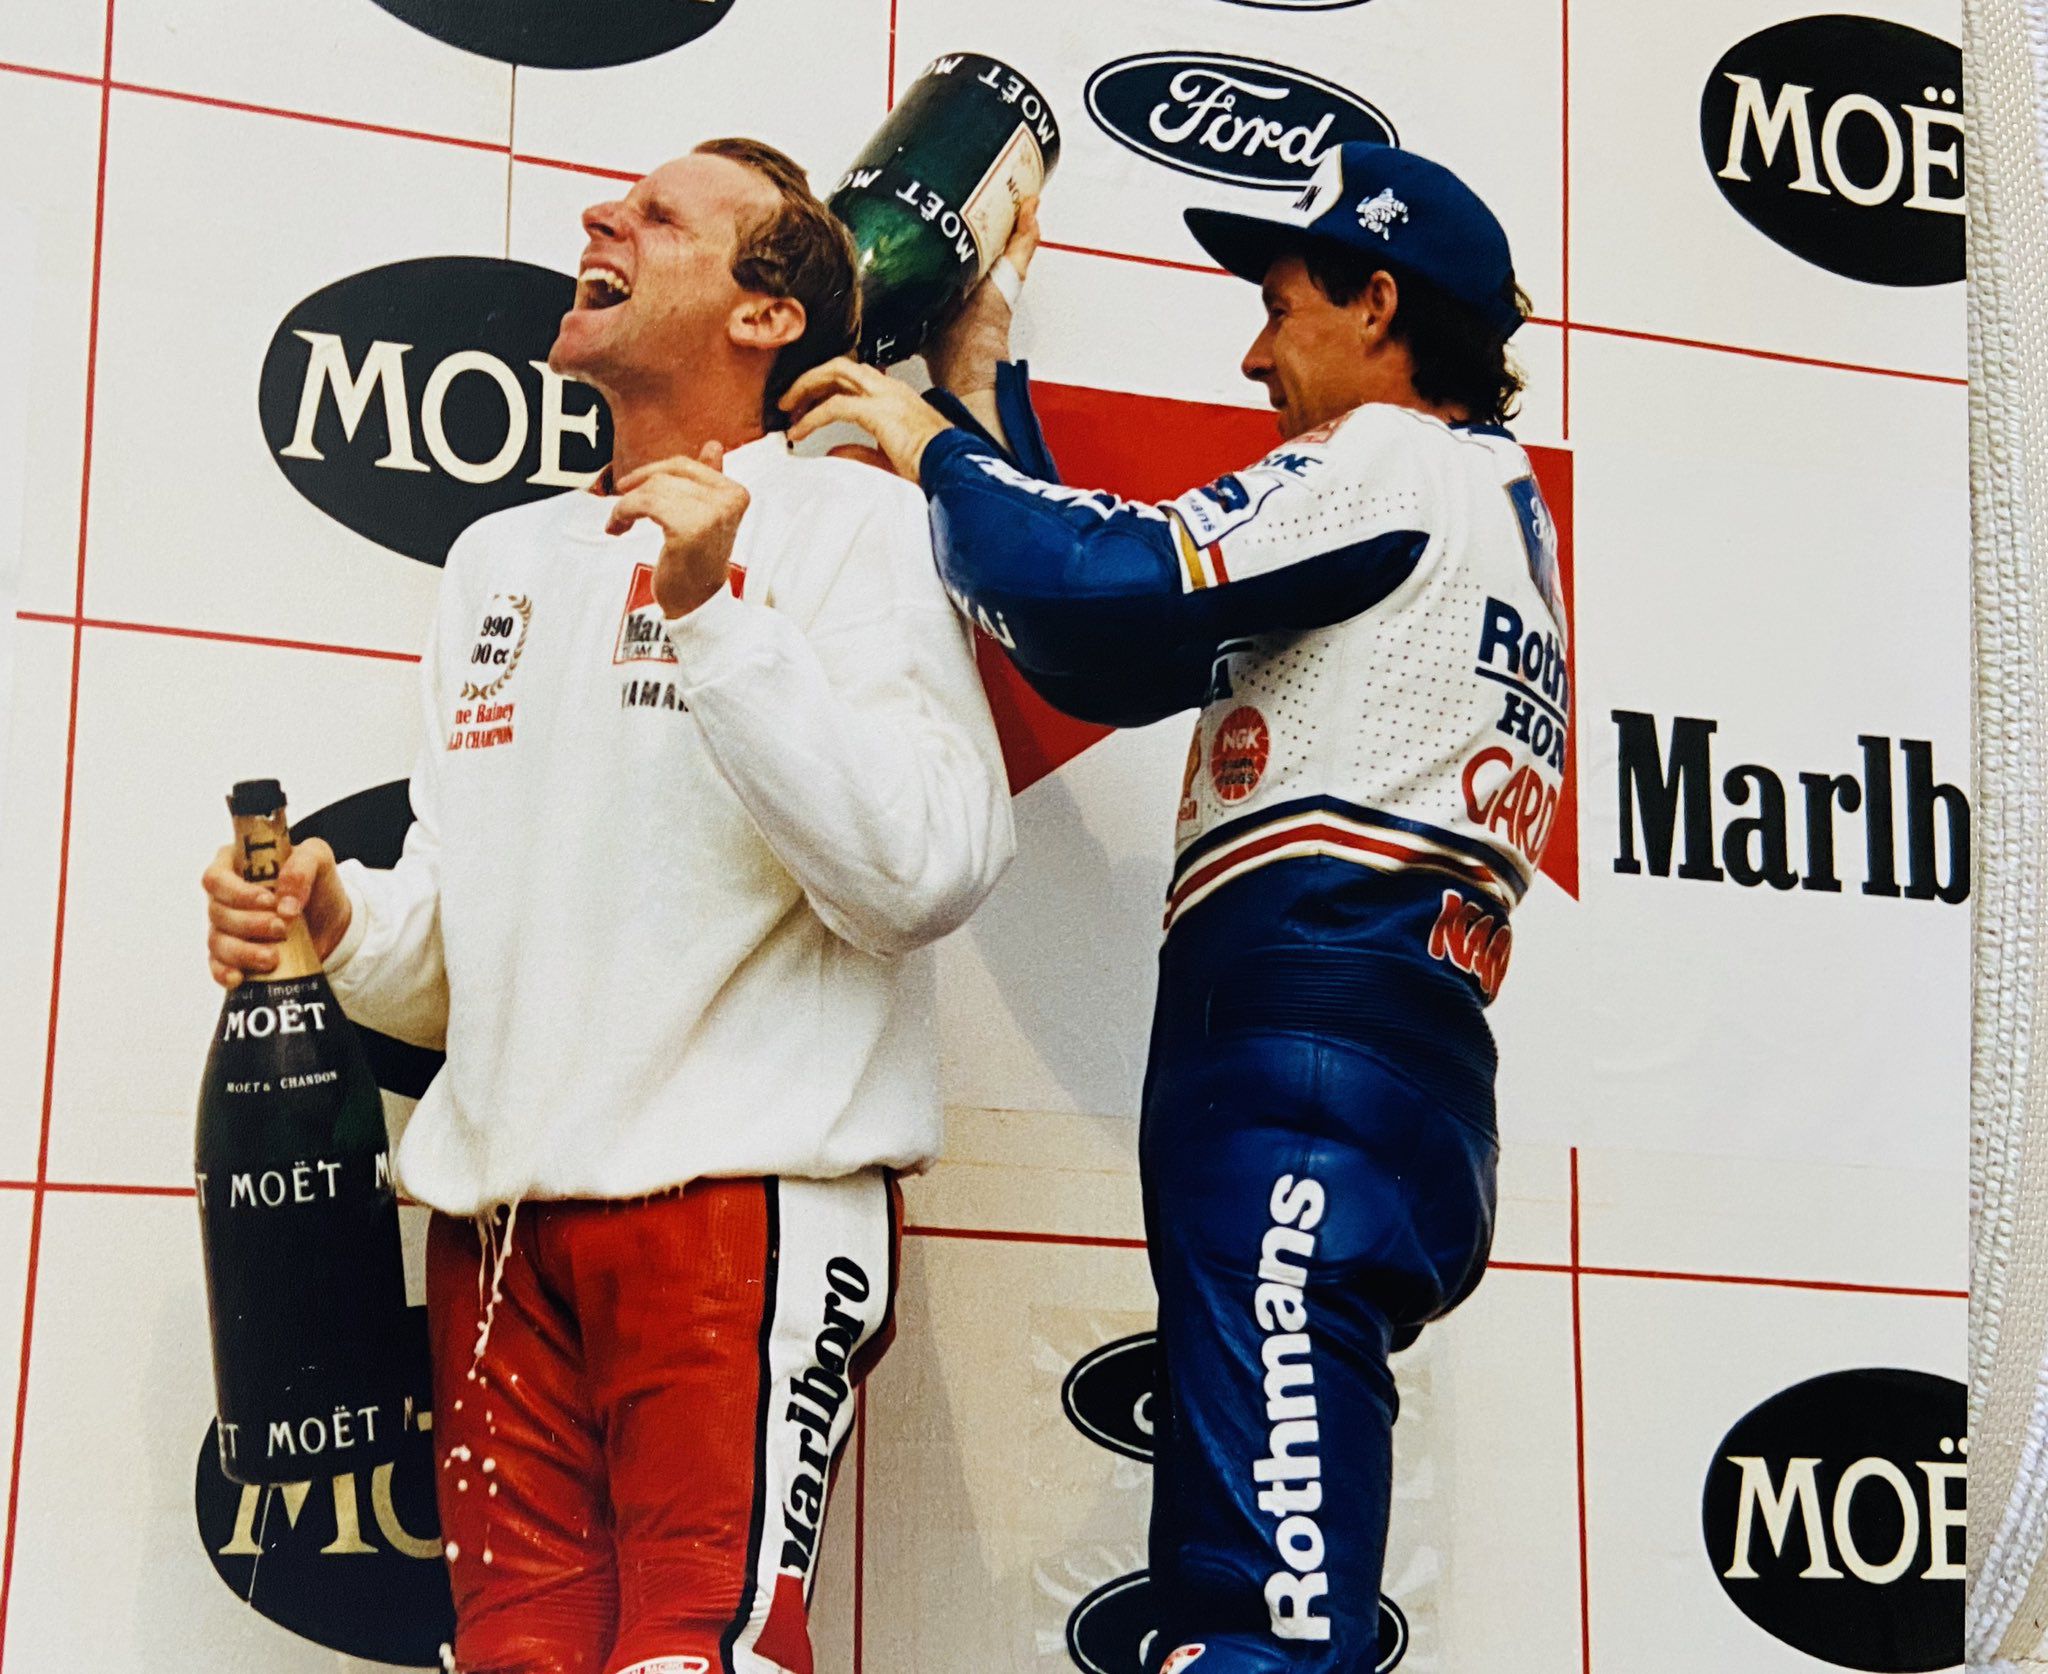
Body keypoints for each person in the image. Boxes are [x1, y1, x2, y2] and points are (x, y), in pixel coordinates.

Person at [201, 138, 1014, 1674]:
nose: (600, 219)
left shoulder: (857, 526)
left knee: (692, 1658)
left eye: (656, 216)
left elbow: (927, 864)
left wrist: (717, 621)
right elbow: (459, 949)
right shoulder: (498, 556)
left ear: (767, 314)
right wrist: (332, 917)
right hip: (498, 1236)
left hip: (736, 1205)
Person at [785, 141, 1566, 1673]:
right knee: (1254, 1591)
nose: (1254, 351)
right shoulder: (1485, 515)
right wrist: (981, 393)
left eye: (1281, 306)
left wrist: (928, 444)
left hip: (1307, 1058)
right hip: (1372, 1057)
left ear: (1382, 300)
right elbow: (1099, 652)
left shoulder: (1396, 458)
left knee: (1261, 1620)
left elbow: (1114, 581)